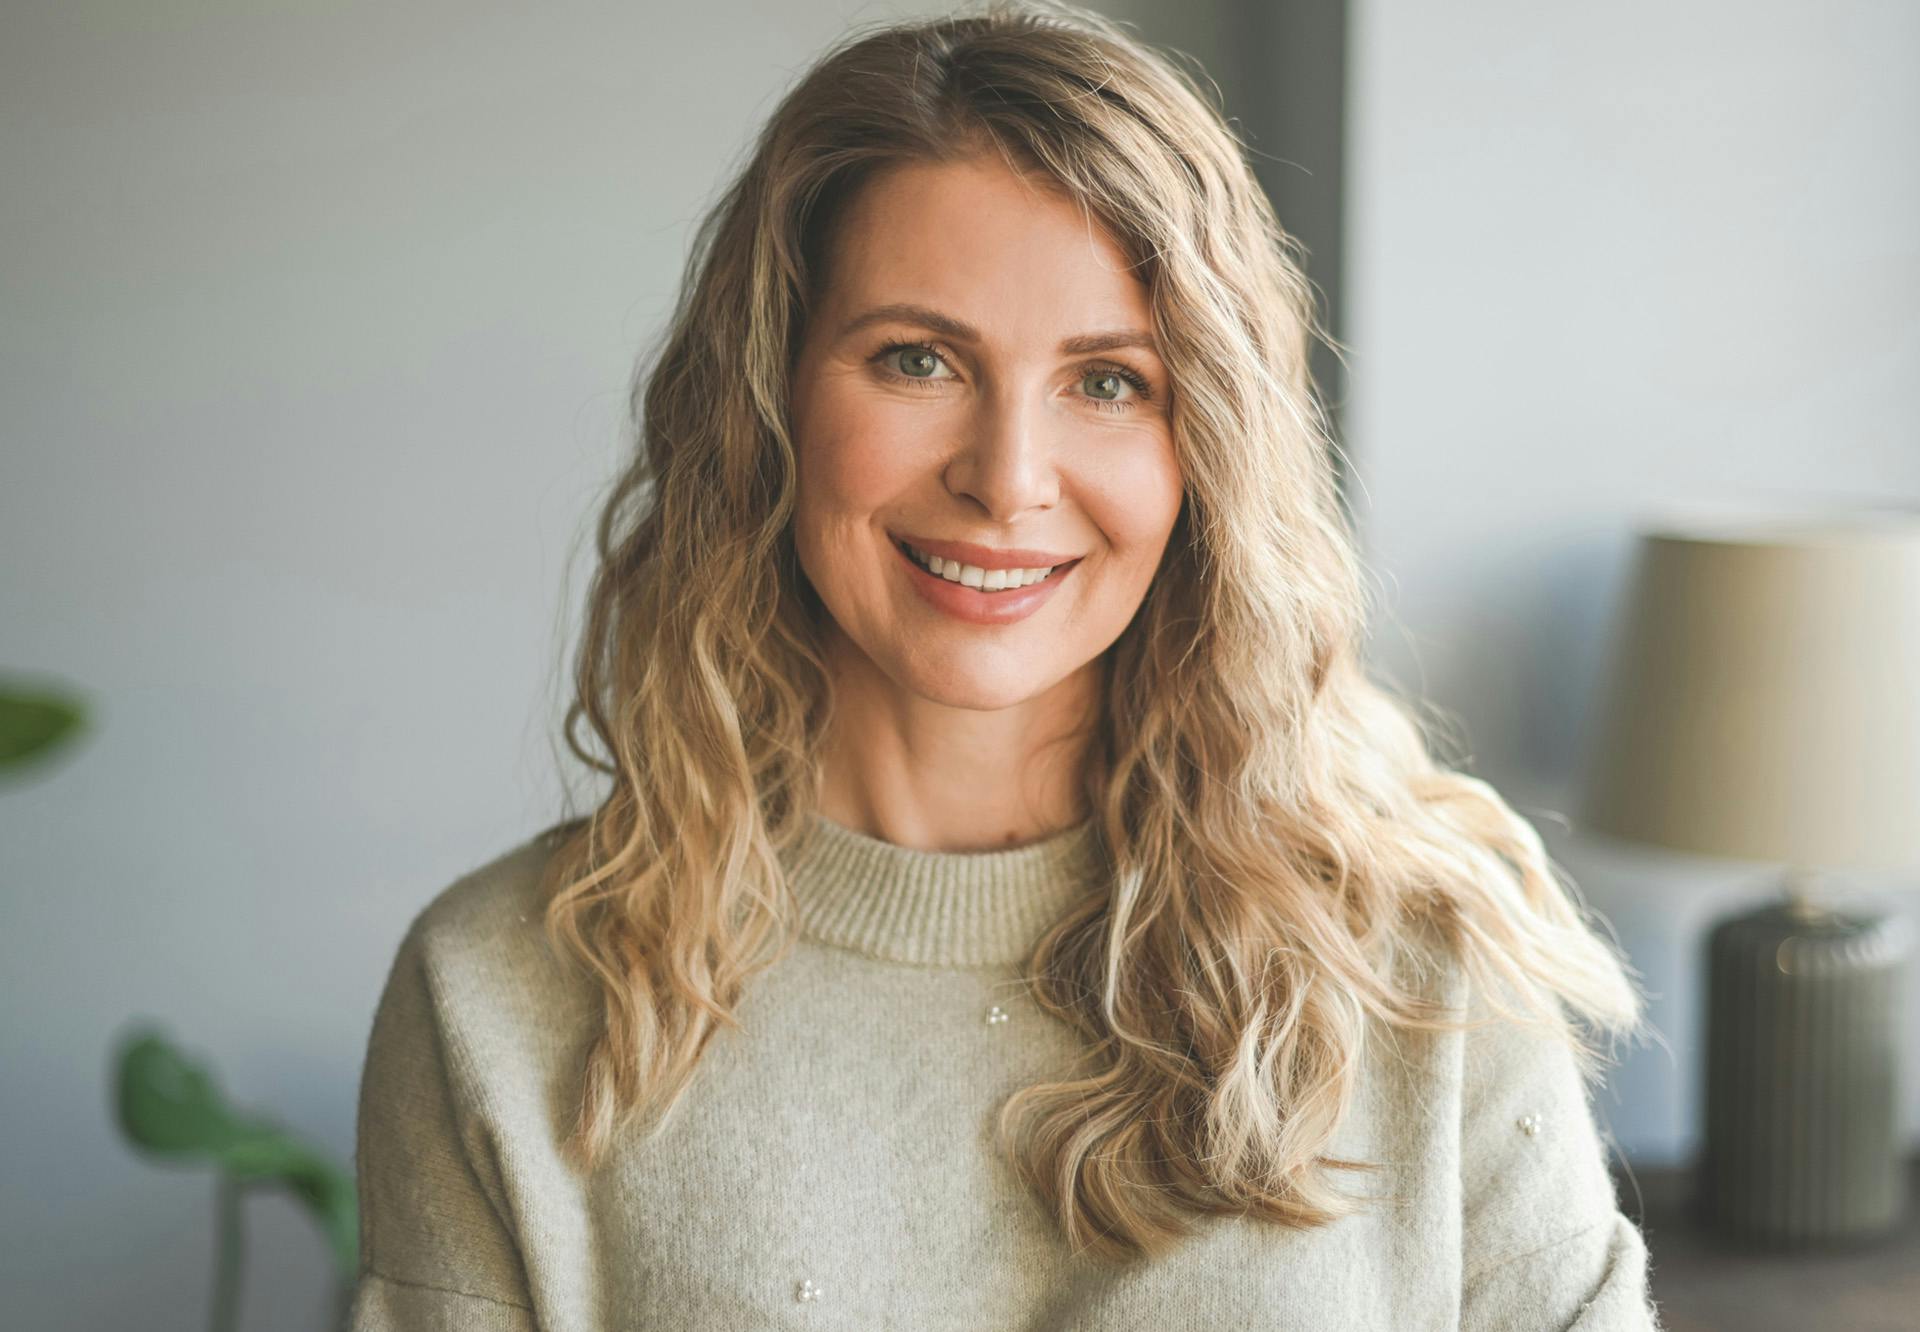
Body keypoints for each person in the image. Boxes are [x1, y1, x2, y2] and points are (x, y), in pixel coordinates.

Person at [346, 3, 1662, 1328]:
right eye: (918, 360)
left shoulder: (1432, 971)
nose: (1009, 479)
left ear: (1205, 447)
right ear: (769, 401)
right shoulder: (497, 1001)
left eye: (1109, 382)